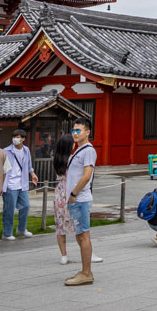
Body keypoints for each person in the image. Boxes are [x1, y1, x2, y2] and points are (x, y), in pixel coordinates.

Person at [51, 135, 104, 267]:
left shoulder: (57, 160)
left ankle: (64, 255)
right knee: (79, 225)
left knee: (60, 226)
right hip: (71, 191)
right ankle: (88, 253)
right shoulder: (72, 159)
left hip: (59, 193)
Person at [63, 117, 98, 286]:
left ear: (87, 132)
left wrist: (73, 194)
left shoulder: (88, 151)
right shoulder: (79, 150)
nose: (75, 133)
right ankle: (86, 270)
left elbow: (86, 175)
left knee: (83, 235)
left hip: (80, 198)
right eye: (73, 130)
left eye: (78, 130)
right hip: (76, 199)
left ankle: (86, 273)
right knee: (80, 235)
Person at [1, 128, 37, 240]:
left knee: (26, 206)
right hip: (10, 183)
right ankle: (7, 233)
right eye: (15, 136)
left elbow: (29, 165)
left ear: (23, 139)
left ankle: (21, 229)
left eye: (19, 137)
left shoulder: (26, 150)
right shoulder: (6, 151)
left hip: (22, 183)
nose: (16, 139)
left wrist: (33, 174)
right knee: (9, 209)